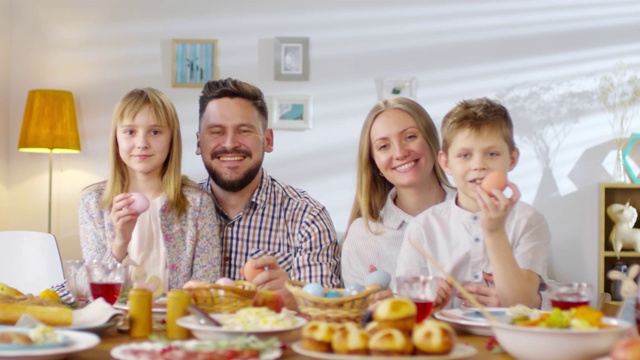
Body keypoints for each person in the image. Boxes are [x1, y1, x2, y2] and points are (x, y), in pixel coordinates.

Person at [195, 78, 341, 308]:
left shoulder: (307, 218)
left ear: (268, 140)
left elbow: (327, 314)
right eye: (216, 132)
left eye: (244, 130)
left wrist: (296, 299)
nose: (230, 143)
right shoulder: (176, 212)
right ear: (198, 142)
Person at [396, 97, 550, 309]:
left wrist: (495, 232)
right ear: (446, 162)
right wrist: (427, 298)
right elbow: (404, 306)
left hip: (505, 339)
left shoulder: (528, 221)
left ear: (512, 159)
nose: (478, 165)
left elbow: (522, 303)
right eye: (465, 155)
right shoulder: (422, 227)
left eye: (492, 154)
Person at [80, 87, 221, 291]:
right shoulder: (93, 202)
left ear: (172, 139)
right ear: (116, 137)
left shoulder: (197, 203)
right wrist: (120, 241)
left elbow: (206, 284)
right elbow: (90, 290)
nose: (142, 143)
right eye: (130, 132)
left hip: (175, 320)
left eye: (155, 132)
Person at [341, 97, 454, 307]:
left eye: (410, 137)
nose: (400, 153)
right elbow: (356, 320)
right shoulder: (362, 236)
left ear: (431, 142)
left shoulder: (482, 215)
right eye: (384, 146)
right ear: (374, 164)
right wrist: (376, 311)